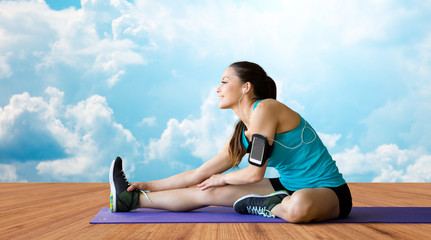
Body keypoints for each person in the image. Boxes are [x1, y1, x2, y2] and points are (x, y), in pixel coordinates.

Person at [109, 61, 352, 223]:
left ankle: (267, 205)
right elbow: (199, 173)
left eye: (225, 81)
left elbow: (255, 174)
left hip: (328, 192)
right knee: (206, 190)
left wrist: (223, 178)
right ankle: (129, 200)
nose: (218, 88)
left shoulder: (266, 108)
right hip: (285, 186)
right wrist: (147, 185)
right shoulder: (241, 133)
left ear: (246, 87)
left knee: (299, 208)